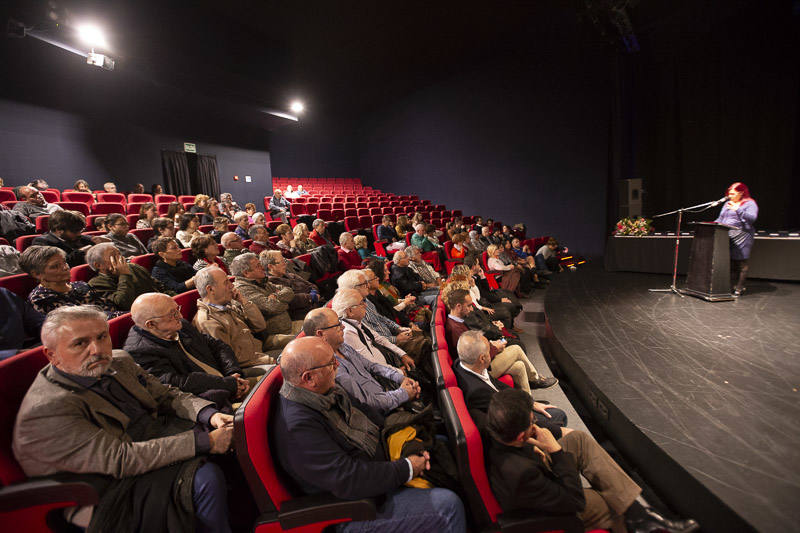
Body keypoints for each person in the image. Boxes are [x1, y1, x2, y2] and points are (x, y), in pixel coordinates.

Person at [13, 305, 236, 533]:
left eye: (102, 337)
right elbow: (120, 458)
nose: (97, 350)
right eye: (80, 343)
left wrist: (210, 416)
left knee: (236, 428)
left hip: (155, 442)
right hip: (110, 491)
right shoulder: (47, 409)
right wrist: (205, 441)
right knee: (205, 478)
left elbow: (166, 394)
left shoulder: (118, 361)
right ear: (52, 355)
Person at [272, 337, 466, 532]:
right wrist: (406, 468)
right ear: (309, 378)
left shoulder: (327, 389)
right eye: (331, 363)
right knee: (448, 506)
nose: (338, 365)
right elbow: (347, 479)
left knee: (441, 444)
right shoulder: (297, 427)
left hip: (379, 468)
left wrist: (403, 444)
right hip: (358, 507)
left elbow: (371, 416)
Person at [486, 389, 698, 533]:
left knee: (578, 439)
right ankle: (638, 520)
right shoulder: (521, 473)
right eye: (532, 421)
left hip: (534, 471)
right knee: (611, 502)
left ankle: (641, 518)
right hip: (550, 506)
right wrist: (556, 451)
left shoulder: (495, 430)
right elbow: (575, 500)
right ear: (521, 436)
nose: (536, 422)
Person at [125, 293, 250, 403]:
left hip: (230, 381)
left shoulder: (180, 325)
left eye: (177, 309)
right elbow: (179, 383)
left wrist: (233, 372)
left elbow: (217, 346)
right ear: (151, 324)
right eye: (172, 314)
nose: (180, 315)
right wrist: (228, 384)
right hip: (209, 401)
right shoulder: (139, 352)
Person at [304, 308, 420, 414]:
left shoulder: (343, 346)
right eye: (337, 325)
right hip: (378, 413)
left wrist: (400, 378)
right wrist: (402, 394)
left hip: (385, 394)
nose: (343, 326)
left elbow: (372, 366)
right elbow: (366, 403)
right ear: (321, 334)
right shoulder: (330, 367)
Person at [453, 330, 566, 431]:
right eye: (489, 350)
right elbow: (509, 418)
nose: (492, 352)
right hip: (512, 424)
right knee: (559, 415)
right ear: (482, 358)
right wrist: (529, 410)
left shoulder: (465, 363)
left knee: (519, 366)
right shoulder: (477, 391)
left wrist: (532, 403)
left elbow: (498, 385)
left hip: (508, 406)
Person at [445, 288, 556, 392]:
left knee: (519, 366)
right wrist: (495, 348)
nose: (471, 308)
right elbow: (473, 359)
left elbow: (475, 347)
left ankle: (528, 403)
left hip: (480, 363)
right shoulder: (456, 329)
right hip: (478, 371)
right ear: (458, 306)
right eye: (469, 306)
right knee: (516, 349)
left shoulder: (458, 322)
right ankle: (536, 379)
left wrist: (491, 344)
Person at [340, 269, 431, 366]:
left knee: (422, 335)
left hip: (391, 338)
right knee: (425, 344)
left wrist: (398, 328)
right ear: (354, 288)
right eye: (364, 283)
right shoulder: (354, 310)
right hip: (387, 348)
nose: (367, 285)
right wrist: (396, 339)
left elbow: (382, 318)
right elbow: (372, 339)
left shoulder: (366, 300)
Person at [192, 266, 276, 372]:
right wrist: (269, 360)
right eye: (226, 282)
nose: (232, 286)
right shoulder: (207, 321)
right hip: (250, 366)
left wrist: (244, 302)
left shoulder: (227, 306)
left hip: (259, 353)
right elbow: (231, 359)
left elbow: (260, 326)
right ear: (210, 289)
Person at [20, 245, 122, 318]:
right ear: (37, 274)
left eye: (64, 262)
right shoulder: (41, 298)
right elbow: (83, 321)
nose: (65, 268)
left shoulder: (81, 285)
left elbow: (110, 308)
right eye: (55, 266)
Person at [230, 253, 304, 349]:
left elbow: (288, 291)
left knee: (317, 323)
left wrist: (276, 296)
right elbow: (272, 307)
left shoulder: (261, 281)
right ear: (246, 273)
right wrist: (285, 303)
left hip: (288, 327)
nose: (263, 267)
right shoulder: (243, 289)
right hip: (272, 337)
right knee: (307, 338)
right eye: (258, 266)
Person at [332, 288, 415, 372]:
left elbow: (380, 339)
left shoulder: (355, 322)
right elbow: (370, 363)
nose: (365, 305)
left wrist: (402, 354)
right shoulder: (347, 332)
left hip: (388, 364)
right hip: (384, 373)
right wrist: (397, 372)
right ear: (350, 311)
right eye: (361, 303)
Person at [86, 242, 173, 310]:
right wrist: (124, 274)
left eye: (120, 254)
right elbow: (124, 304)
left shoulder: (133, 267)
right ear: (98, 265)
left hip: (161, 305)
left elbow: (159, 287)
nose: (121, 258)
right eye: (114, 256)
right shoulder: (96, 283)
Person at [715, 181, 758, 296]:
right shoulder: (727, 203)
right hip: (727, 235)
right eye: (729, 193)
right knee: (730, 262)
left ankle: (739, 287)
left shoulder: (750, 203)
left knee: (741, 262)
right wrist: (713, 225)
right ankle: (729, 286)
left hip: (743, 235)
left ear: (741, 193)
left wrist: (738, 209)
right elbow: (720, 218)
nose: (730, 196)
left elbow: (752, 218)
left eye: (733, 194)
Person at [31, 210, 109, 267]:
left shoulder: (81, 237)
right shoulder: (42, 242)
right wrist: (80, 251)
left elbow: (96, 240)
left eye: (80, 231)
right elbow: (57, 264)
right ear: (58, 230)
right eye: (74, 231)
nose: (79, 234)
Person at [261, 250, 319, 319]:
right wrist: (310, 297)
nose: (285, 264)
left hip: (315, 306)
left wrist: (314, 292)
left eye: (284, 260)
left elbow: (312, 285)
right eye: (281, 262)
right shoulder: (270, 284)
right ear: (271, 266)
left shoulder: (290, 275)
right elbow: (291, 300)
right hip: (302, 316)